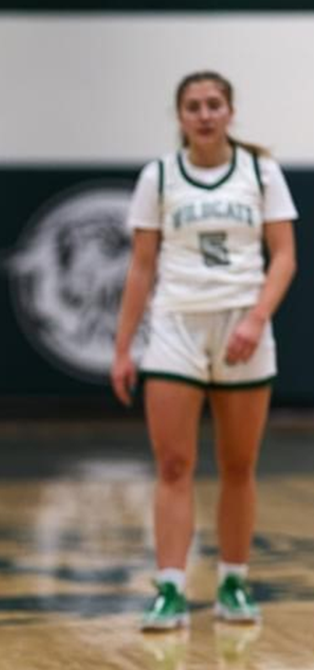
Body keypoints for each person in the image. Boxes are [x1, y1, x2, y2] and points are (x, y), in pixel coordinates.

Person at [112, 70, 297, 631]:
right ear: (181, 116)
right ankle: (170, 587)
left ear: (230, 111)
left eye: (214, 104)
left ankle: (234, 583)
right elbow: (141, 267)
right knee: (174, 465)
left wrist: (258, 317)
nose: (205, 114)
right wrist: (123, 348)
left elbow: (284, 256)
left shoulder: (261, 172)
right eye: (194, 106)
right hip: (176, 327)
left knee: (239, 466)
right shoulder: (161, 176)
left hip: (244, 325)